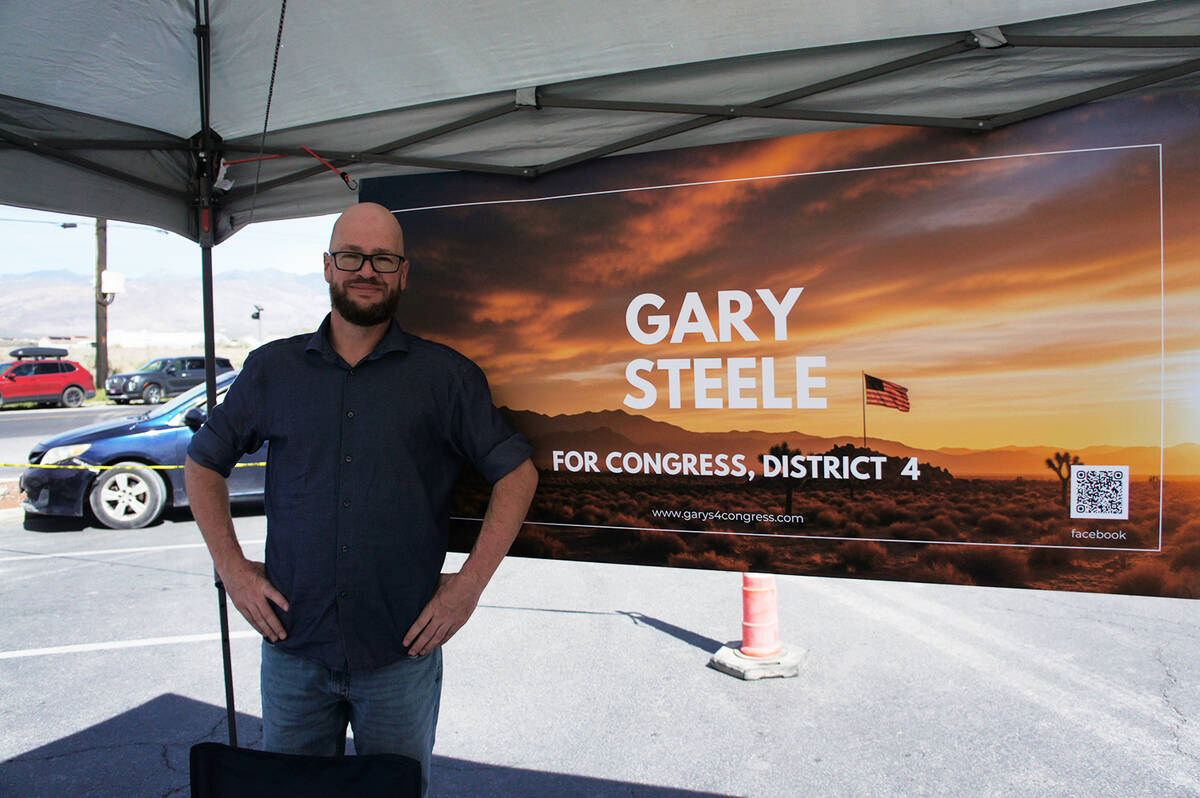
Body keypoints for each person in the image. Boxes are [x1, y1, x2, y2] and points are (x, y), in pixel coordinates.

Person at [185, 202, 538, 794]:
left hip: (399, 656)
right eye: (351, 256)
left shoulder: (445, 377)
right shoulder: (273, 369)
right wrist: (234, 571)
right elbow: (202, 464)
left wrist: (468, 588)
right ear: (328, 266)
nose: (366, 271)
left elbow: (517, 474)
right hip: (293, 651)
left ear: (404, 273)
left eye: (383, 259)